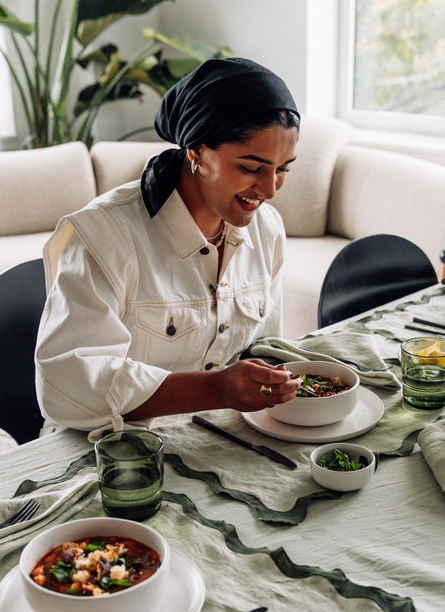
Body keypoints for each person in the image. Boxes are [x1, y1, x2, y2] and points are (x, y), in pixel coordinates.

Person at [35, 57, 301, 441]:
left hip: (211, 435)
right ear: (196, 151)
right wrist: (215, 389)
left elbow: (264, 347)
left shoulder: (268, 229)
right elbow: (66, 386)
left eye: (283, 169)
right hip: (105, 450)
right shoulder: (105, 236)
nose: (271, 188)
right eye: (251, 168)